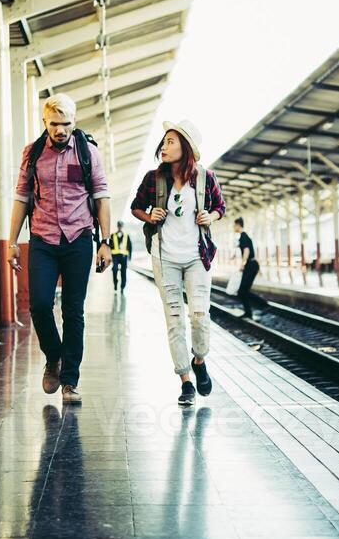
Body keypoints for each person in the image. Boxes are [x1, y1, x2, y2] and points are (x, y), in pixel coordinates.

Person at [8, 93, 112, 404]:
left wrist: (106, 242)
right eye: (54, 124)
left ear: (74, 122)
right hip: (42, 238)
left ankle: (70, 382)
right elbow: (21, 199)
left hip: (79, 238)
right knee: (39, 305)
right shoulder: (32, 153)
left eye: (66, 123)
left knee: (73, 311)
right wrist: (12, 242)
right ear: (45, 122)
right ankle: (53, 357)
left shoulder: (88, 153)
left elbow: (102, 197)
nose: (61, 129)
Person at [131, 120, 226, 406]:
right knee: (174, 321)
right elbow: (136, 206)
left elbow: (220, 207)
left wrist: (212, 217)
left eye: (171, 141)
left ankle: (199, 360)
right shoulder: (153, 179)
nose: (164, 146)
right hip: (165, 257)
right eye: (164, 141)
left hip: (197, 256)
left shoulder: (206, 178)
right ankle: (185, 381)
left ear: (186, 148)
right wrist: (150, 217)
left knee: (199, 315)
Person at [233, 216, 260, 319]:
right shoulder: (244, 236)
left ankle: (262, 305)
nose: (233, 227)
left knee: (242, 291)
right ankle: (249, 312)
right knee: (243, 291)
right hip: (252, 265)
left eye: (234, 225)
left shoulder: (243, 236)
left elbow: (247, 250)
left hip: (250, 266)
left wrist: (242, 264)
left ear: (238, 225)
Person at [109, 220, 132, 291]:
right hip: (115, 256)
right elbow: (110, 246)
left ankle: (122, 286)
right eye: (119, 226)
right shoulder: (113, 236)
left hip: (124, 256)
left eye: (121, 226)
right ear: (117, 226)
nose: (120, 227)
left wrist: (129, 257)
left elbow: (130, 246)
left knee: (123, 272)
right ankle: (115, 284)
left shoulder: (126, 236)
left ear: (122, 226)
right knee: (114, 269)